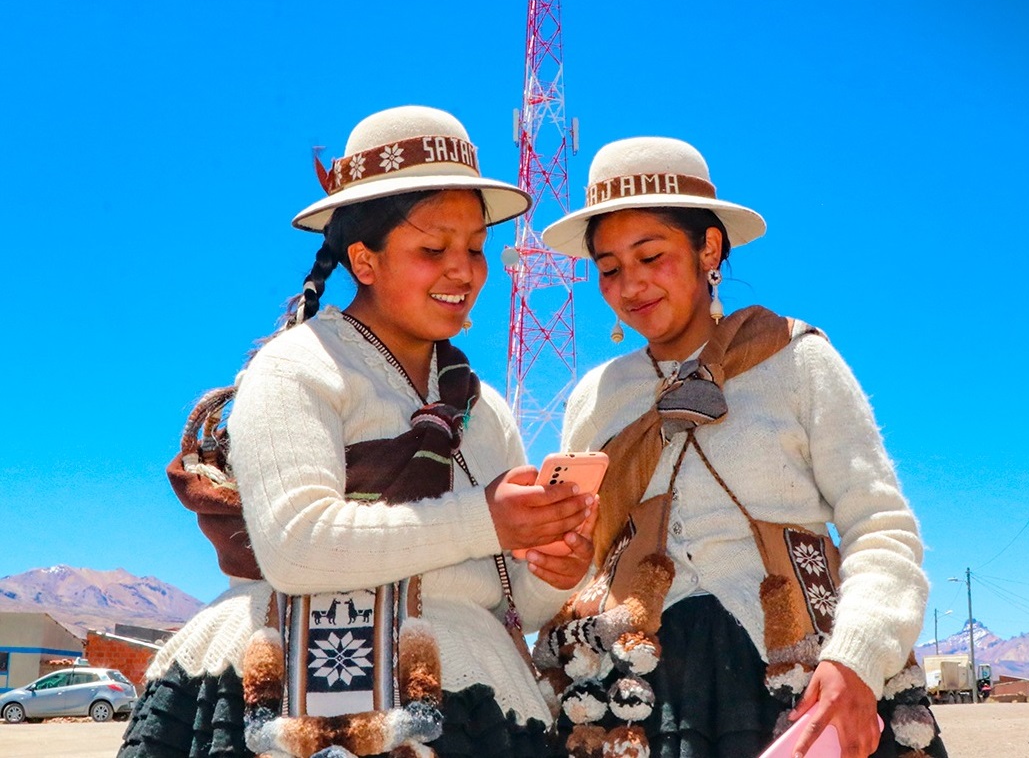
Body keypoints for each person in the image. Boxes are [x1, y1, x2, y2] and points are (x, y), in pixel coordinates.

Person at [119, 106, 596, 758]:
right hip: (285, 689)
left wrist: (555, 565)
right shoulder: (297, 368)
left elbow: (520, 602)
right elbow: (294, 546)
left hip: (470, 701)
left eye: (476, 247)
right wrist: (486, 519)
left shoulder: (484, 412)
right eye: (433, 249)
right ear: (364, 259)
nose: (465, 270)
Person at [534, 137, 946, 758]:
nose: (630, 284)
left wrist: (858, 658)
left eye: (652, 255)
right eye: (610, 267)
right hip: (638, 697)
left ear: (709, 249)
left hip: (801, 676)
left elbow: (881, 527)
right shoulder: (597, 396)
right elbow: (586, 554)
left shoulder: (796, 359)